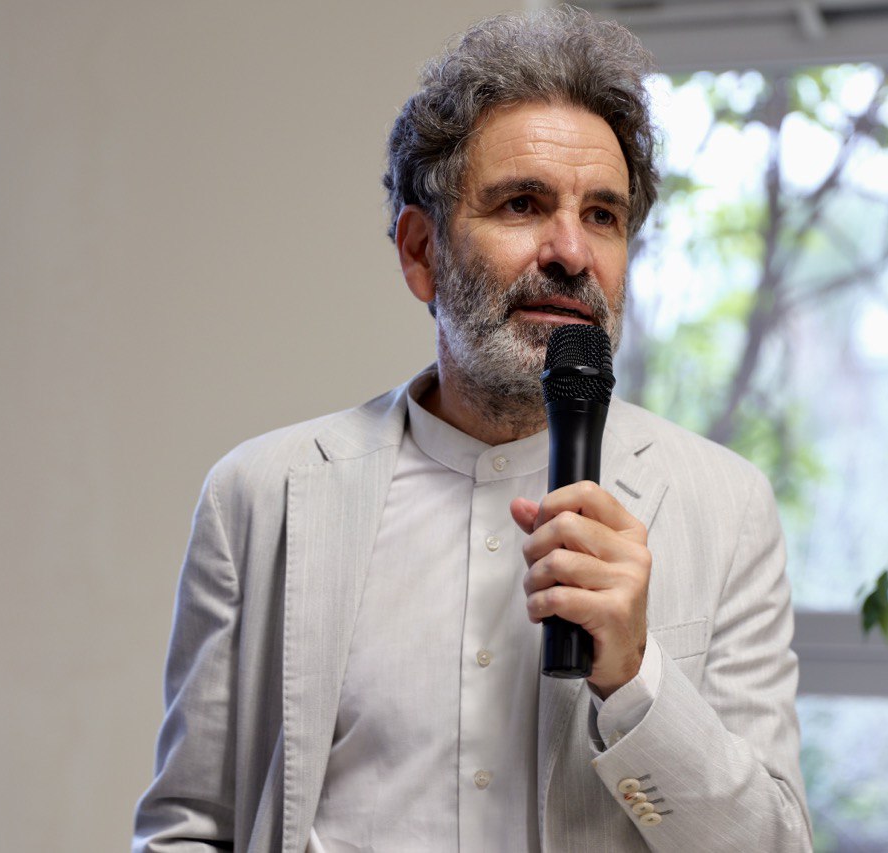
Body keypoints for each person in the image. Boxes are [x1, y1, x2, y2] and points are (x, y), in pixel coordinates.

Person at [134, 7, 810, 851]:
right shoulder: (258, 496)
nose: (571, 252)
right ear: (421, 251)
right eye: (524, 203)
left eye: (603, 215)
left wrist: (637, 676)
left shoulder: (726, 508)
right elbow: (190, 828)